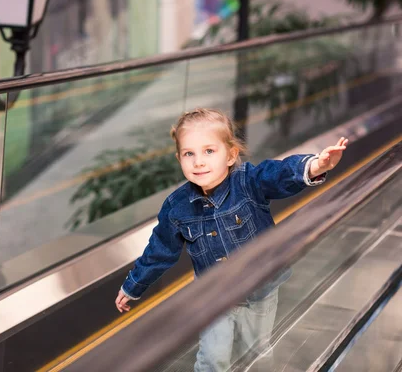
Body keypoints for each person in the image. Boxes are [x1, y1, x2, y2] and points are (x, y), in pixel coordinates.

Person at [114, 108, 348, 371]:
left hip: (259, 291)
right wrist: (132, 286)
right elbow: (160, 250)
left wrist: (316, 165)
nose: (198, 162)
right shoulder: (176, 207)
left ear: (231, 155)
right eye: (189, 154)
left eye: (209, 151)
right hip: (213, 296)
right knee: (213, 358)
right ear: (179, 157)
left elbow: (279, 173)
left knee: (256, 352)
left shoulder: (248, 182)